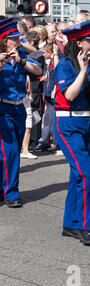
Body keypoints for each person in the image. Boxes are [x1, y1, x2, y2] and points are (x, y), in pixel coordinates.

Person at [55, 19, 90, 246]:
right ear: (79, 43)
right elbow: (69, 95)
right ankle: (87, 226)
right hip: (67, 125)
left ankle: (71, 223)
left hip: (88, 124)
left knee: (78, 175)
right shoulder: (65, 64)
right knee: (88, 175)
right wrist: (83, 69)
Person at [0, 18, 42, 208]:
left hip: (19, 106)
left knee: (12, 151)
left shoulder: (21, 52)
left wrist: (22, 61)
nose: (17, 41)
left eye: (18, 37)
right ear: (4, 40)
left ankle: (3, 190)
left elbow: (39, 70)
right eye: (13, 38)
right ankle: (11, 193)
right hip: (3, 107)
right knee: (9, 152)